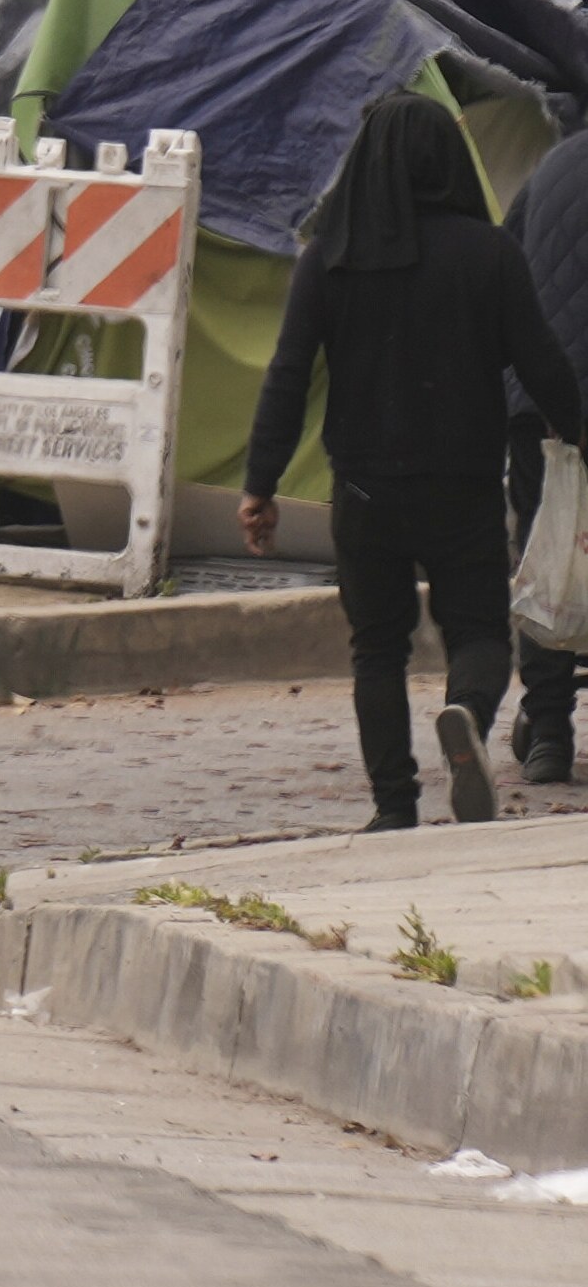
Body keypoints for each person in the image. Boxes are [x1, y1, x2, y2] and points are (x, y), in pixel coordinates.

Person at [241, 96, 588, 826]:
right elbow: (543, 363)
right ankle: (464, 707)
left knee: (375, 647)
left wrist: (261, 485)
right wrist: (578, 436)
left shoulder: (327, 260)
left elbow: (286, 375)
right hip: (461, 483)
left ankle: (394, 804)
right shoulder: (487, 253)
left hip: (363, 489)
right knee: (480, 633)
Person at [510, 127, 588, 784]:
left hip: (532, 406)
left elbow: (509, 262)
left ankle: (548, 733)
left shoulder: (550, 165)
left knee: (544, 560)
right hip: (565, 400)